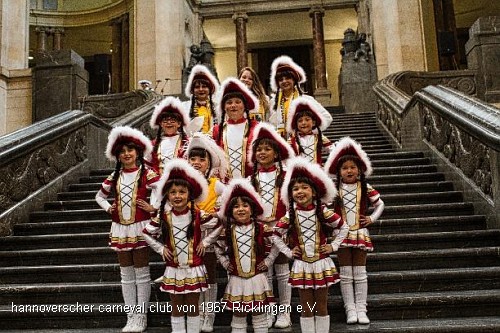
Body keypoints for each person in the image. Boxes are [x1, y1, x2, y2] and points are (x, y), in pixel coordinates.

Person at [95, 126, 160, 333]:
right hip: (120, 228)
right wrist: (108, 207)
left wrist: (154, 207)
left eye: (130, 150)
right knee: (126, 275)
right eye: (122, 151)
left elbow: (163, 188)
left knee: (141, 273)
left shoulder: (147, 174)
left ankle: (141, 317)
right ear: (118, 156)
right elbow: (99, 196)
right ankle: (130, 315)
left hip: (140, 227)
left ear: (138, 152)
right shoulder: (114, 177)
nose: (126, 154)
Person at [272, 157, 348, 333]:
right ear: (290, 194)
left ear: (314, 192)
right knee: (307, 307)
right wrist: (289, 251)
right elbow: (275, 234)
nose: (300, 191)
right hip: (302, 265)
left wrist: (333, 246)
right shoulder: (291, 215)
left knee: (321, 306)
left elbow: (343, 227)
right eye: (295, 188)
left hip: (321, 263)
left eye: (305, 187)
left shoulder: (323, 211)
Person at [142, 158, 215, 333]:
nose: (177, 196)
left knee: (192, 307)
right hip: (173, 269)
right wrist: (160, 248)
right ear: (167, 195)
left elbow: (218, 224)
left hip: (194, 268)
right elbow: (146, 233)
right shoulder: (163, 216)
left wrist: (206, 242)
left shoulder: (198, 214)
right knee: (176, 308)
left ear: (190, 194)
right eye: (173, 192)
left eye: (182, 192)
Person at [324, 137, 385, 325]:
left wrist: (371, 219)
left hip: (359, 232)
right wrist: (333, 222)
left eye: (352, 167)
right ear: (338, 172)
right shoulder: (334, 189)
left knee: (359, 273)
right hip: (341, 235)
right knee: (345, 273)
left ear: (359, 170)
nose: (349, 170)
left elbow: (380, 203)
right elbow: (324, 208)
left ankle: (361, 308)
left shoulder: (364, 187)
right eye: (344, 168)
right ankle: (350, 309)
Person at [215, 178, 278, 333]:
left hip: (257, 278)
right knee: (238, 314)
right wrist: (224, 262)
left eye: (245, 205)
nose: (240, 209)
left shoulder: (262, 228)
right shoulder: (227, 231)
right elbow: (218, 247)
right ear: (230, 211)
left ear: (252, 208)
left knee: (259, 313)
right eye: (236, 206)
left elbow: (277, 243)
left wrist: (269, 260)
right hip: (237, 279)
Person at [248, 122, 295, 328]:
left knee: (282, 268)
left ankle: (284, 312)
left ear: (276, 153)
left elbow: (292, 202)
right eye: (259, 149)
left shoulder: (286, 176)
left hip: (281, 228)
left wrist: (282, 223)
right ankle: (268, 309)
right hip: (258, 229)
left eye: (267, 149)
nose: (262, 152)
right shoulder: (250, 179)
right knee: (263, 269)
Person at [185, 132, 227, 332]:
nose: (197, 162)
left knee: (209, 275)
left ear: (209, 162)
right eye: (192, 158)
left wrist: (217, 213)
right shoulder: (182, 185)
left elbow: (231, 201)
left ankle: (208, 316)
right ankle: (197, 313)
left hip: (208, 238)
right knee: (194, 276)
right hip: (186, 238)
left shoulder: (214, 184)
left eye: (202, 159)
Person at [212, 77, 259, 180]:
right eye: (229, 102)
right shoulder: (216, 130)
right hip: (224, 186)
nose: (233, 105)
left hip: (252, 184)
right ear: (224, 107)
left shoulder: (256, 128)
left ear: (244, 106)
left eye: (238, 102)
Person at [149, 96, 191, 175]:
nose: (169, 123)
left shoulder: (187, 142)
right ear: (161, 124)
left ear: (179, 124)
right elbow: (148, 166)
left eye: (172, 120)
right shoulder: (153, 144)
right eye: (165, 121)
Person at [286, 96, 333, 166]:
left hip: (316, 173)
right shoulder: (292, 139)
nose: (303, 123)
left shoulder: (319, 137)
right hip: (300, 173)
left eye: (307, 120)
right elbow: (285, 154)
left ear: (313, 123)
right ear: (296, 124)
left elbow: (332, 150)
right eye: (300, 121)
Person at [268, 55, 306, 138]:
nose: (284, 81)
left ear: (294, 80)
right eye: (281, 79)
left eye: (288, 78)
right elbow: (269, 124)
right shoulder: (273, 102)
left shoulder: (305, 100)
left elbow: (326, 118)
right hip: (280, 144)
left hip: (300, 143)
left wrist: (309, 131)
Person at [183, 64, 220, 134]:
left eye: (204, 86)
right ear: (192, 90)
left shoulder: (217, 108)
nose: (201, 89)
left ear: (210, 89)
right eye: (197, 87)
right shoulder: (185, 107)